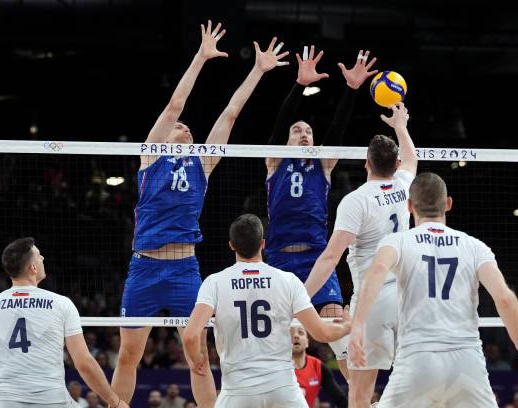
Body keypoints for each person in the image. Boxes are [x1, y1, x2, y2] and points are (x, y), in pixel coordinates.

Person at [112, 19, 289, 408]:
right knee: (128, 355)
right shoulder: (151, 157)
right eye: (179, 127)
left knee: (199, 359)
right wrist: (201, 57)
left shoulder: (201, 164)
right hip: (144, 269)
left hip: (184, 272)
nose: (185, 127)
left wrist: (258, 71)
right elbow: (175, 105)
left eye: (188, 128)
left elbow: (230, 113)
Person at [348, 172, 518, 407]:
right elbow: (504, 298)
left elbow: (376, 272)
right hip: (467, 363)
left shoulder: (397, 242)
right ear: (448, 204)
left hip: (418, 359)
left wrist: (358, 327)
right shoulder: (475, 247)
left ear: (409, 206)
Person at [265, 46, 378, 378]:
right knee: (275, 340)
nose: (304, 134)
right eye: (297, 131)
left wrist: (352, 89)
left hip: (318, 259)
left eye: (308, 132)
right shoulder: (274, 161)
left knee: (338, 334)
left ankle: (360, 398)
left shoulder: (324, 164)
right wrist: (299, 85)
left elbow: (337, 130)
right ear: (286, 141)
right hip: (281, 261)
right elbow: (280, 123)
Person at [304, 102, 417, 406]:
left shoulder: (356, 201)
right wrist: (401, 126)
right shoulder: (404, 185)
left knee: (360, 391)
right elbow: (412, 159)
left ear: (367, 163)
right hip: (407, 296)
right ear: (395, 164)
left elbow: (331, 257)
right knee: (414, 383)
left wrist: (300, 298)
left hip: (372, 299)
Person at [182, 214, 351, 408]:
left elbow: (190, 336)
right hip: (283, 388)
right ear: (263, 243)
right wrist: (348, 325)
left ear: (231, 245)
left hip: (238, 390)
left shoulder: (214, 282)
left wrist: (196, 361)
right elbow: (322, 333)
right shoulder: (288, 280)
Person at [0, 238, 128, 408]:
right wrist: (115, 402)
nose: (43, 258)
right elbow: (84, 363)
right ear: (33, 268)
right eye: (39, 255)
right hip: (52, 400)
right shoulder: (61, 304)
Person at [290, 325, 348, 408]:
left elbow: (340, 399)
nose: (296, 336)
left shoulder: (319, 367)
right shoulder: (276, 367)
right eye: (291, 334)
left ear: (307, 342)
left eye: (301, 332)